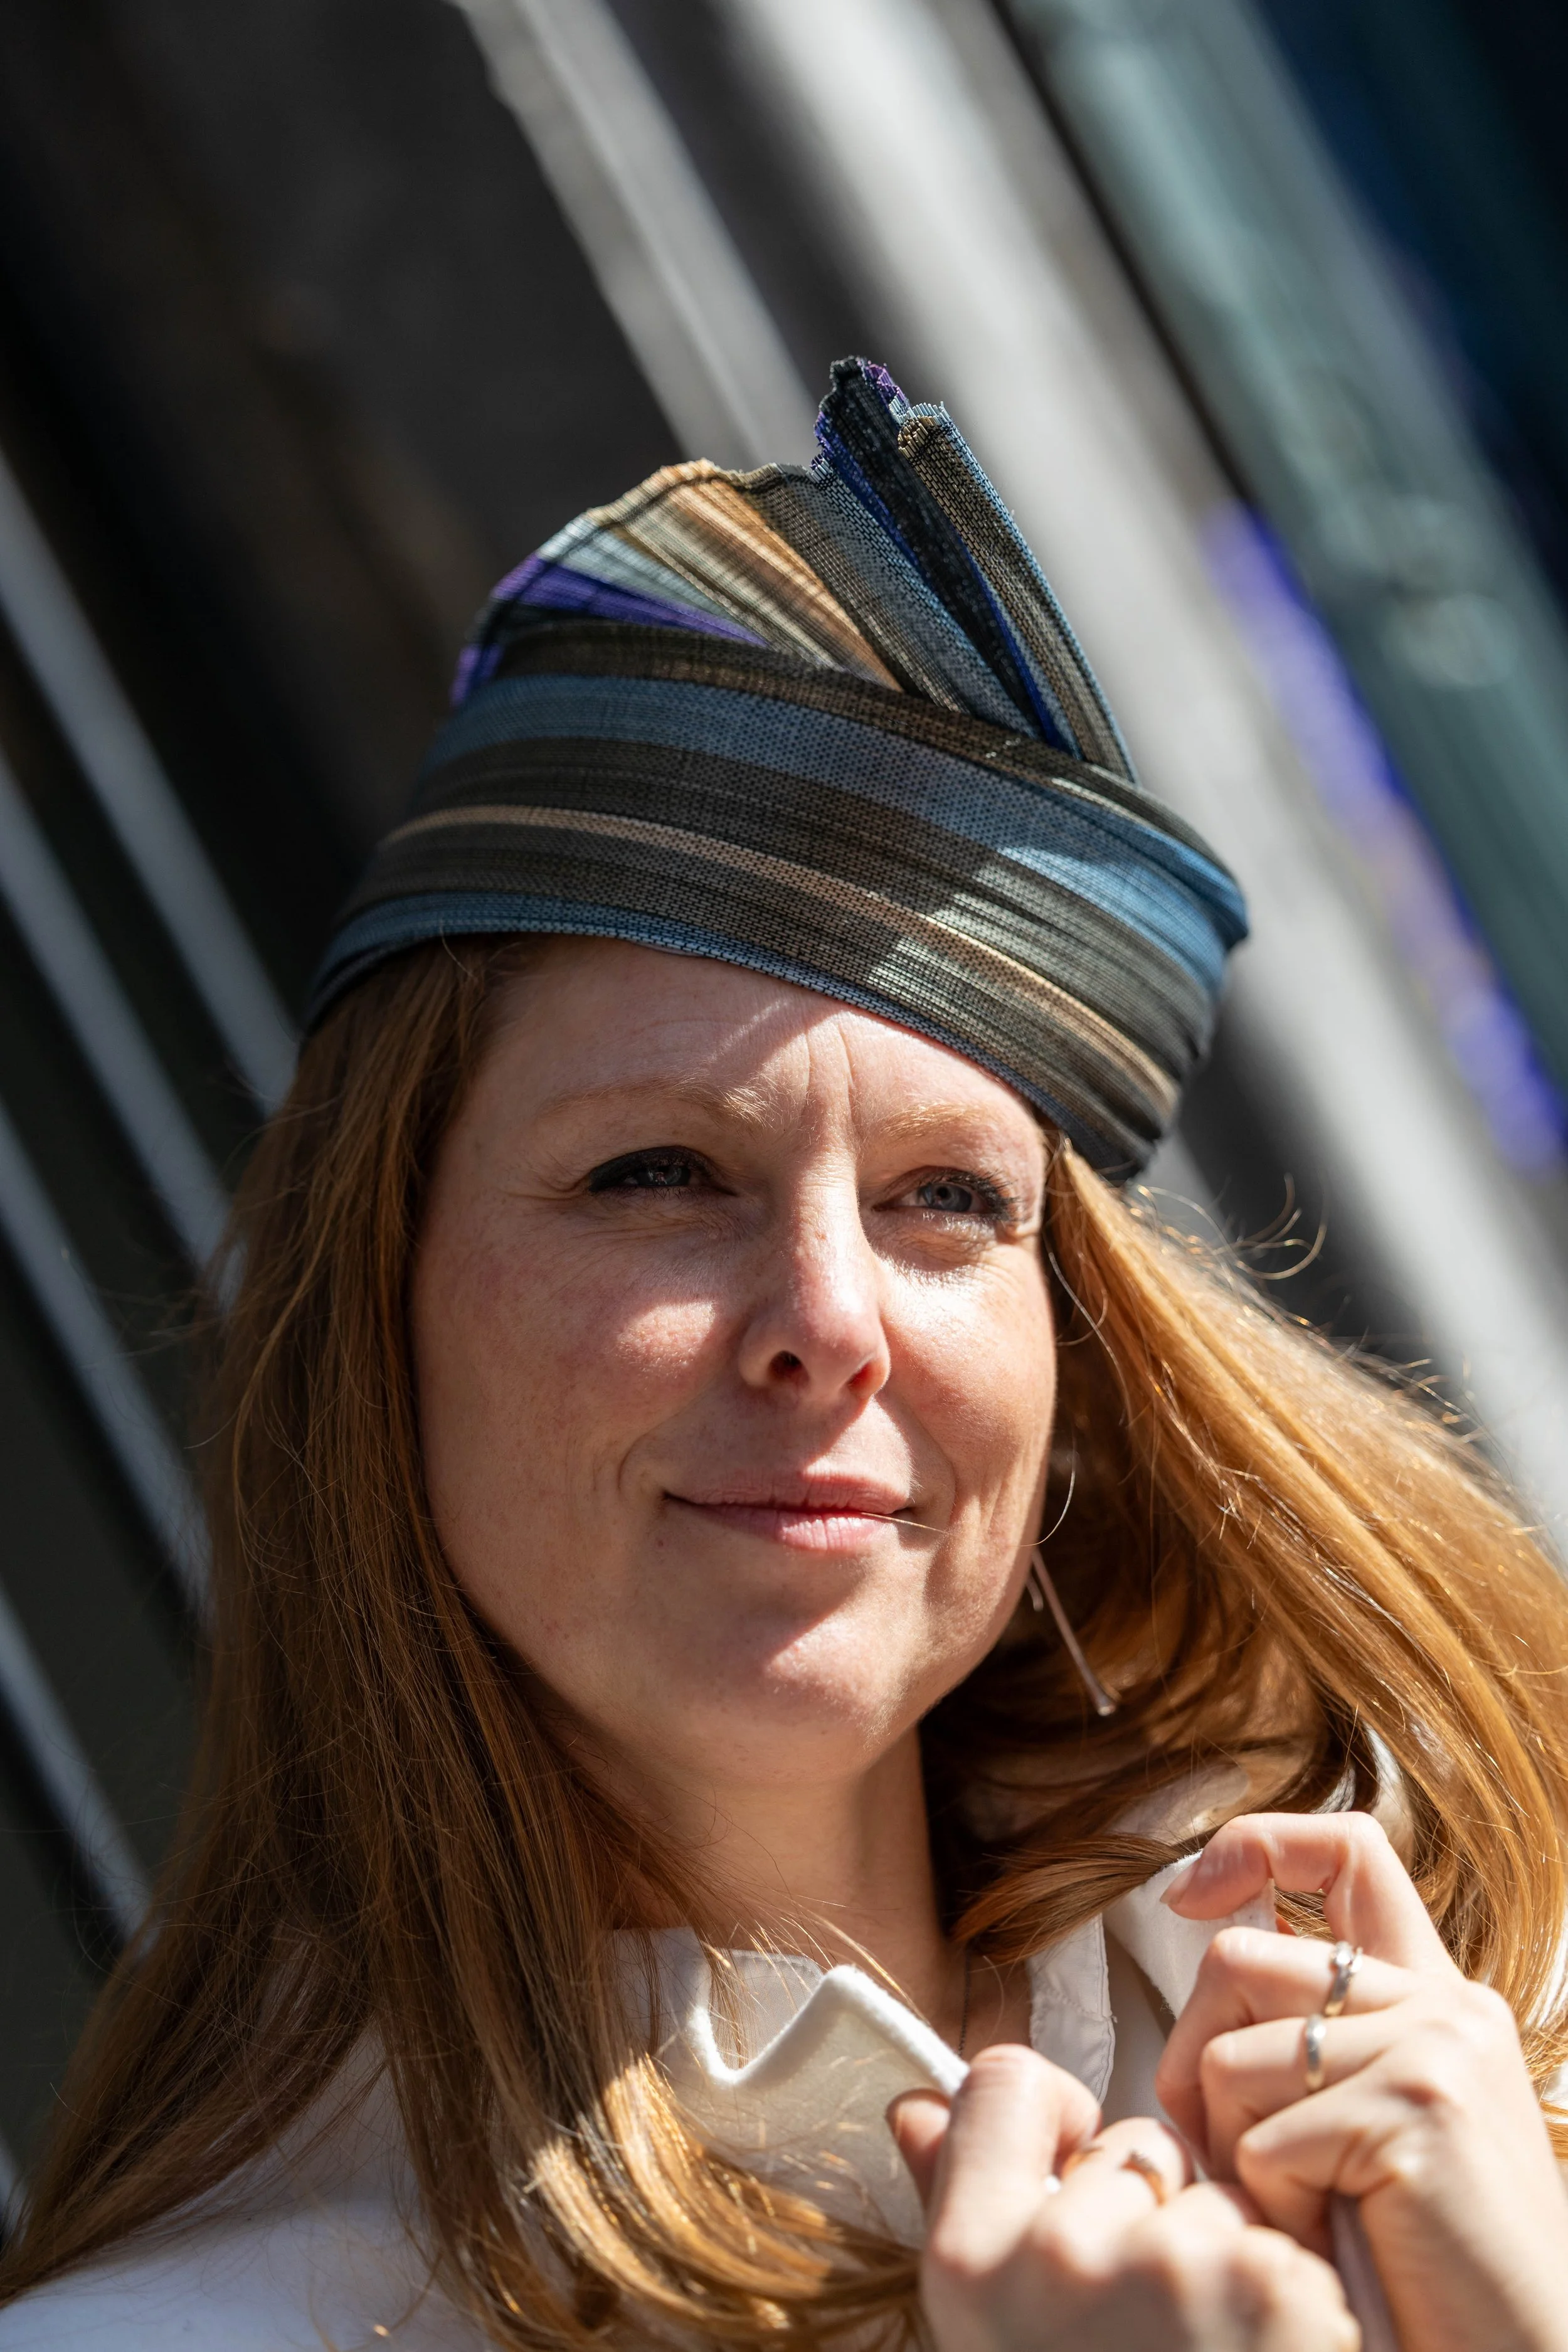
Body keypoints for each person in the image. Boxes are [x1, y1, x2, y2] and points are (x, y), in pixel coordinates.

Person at [1, 357, 1565, 2352]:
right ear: (376, 1310)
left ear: (1075, 1353)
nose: (828, 1321)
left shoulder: (1488, 2030)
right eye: (656, 1173)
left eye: (945, 1199)